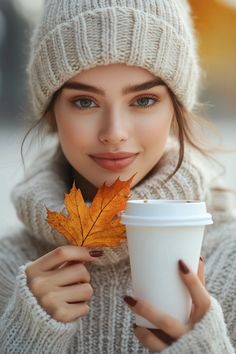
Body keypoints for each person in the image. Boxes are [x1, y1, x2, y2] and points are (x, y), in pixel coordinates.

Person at [0, 0, 235, 353]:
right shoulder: (9, 267)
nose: (114, 132)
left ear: (175, 110)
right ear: (52, 114)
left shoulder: (230, 262)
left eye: (143, 100)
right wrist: (25, 337)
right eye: (84, 101)